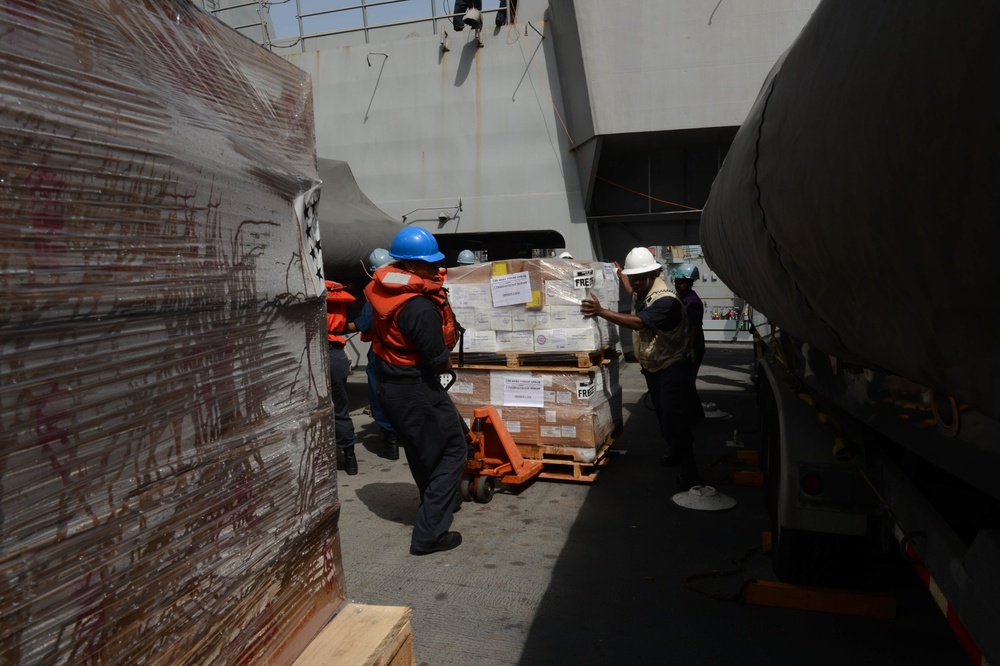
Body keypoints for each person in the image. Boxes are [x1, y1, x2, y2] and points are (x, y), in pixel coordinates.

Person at [366, 227, 467, 555]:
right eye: (426, 264)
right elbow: (437, 358)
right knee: (454, 449)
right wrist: (446, 370)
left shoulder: (385, 291)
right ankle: (430, 534)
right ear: (408, 266)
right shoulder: (420, 307)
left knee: (421, 450)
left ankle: (438, 506)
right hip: (415, 388)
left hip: (388, 387)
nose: (434, 269)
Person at [580, 247, 700, 490]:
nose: (633, 282)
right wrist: (620, 273)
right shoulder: (642, 290)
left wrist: (601, 311)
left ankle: (690, 470)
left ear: (653, 274)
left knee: (674, 417)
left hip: (673, 366)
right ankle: (674, 450)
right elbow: (630, 288)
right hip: (654, 366)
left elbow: (638, 322)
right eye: (632, 278)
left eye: (638, 277)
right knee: (661, 414)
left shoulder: (666, 300)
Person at [347, 248, 400, 460]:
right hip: (410, 352)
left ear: (372, 271)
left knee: (380, 393)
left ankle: (390, 441)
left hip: (382, 350)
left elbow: (365, 323)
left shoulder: (376, 292)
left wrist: (338, 326)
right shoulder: (411, 289)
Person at [325, 278, 360, 475]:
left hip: (313, 353)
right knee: (341, 407)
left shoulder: (311, 299)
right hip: (337, 355)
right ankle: (350, 458)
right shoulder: (339, 302)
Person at [670, 263, 706, 422]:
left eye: (681, 282)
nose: (677, 285)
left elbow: (694, 328)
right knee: (684, 382)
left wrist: (689, 350)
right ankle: (691, 414)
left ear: (690, 282)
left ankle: (696, 416)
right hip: (683, 346)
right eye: (676, 281)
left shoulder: (693, 302)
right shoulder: (682, 298)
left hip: (692, 348)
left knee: (688, 382)